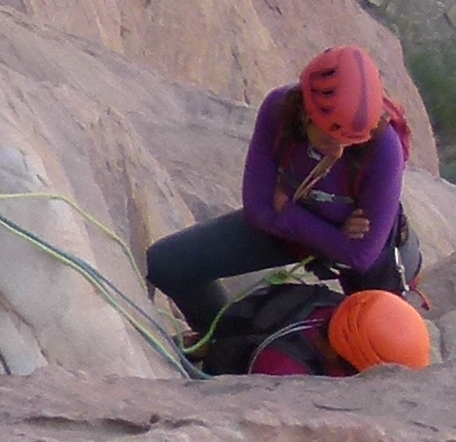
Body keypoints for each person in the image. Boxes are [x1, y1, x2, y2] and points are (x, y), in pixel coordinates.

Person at [144, 41, 419, 365]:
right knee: (167, 263)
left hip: (348, 248)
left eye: (349, 143)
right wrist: (333, 230)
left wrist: (288, 213)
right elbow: (256, 208)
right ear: (306, 112)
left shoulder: (384, 146)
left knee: (378, 349)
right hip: (317, 234)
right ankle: (221, 338)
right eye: (329, 138)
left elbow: (362, 256)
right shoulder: (278, 109)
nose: (337, 151)